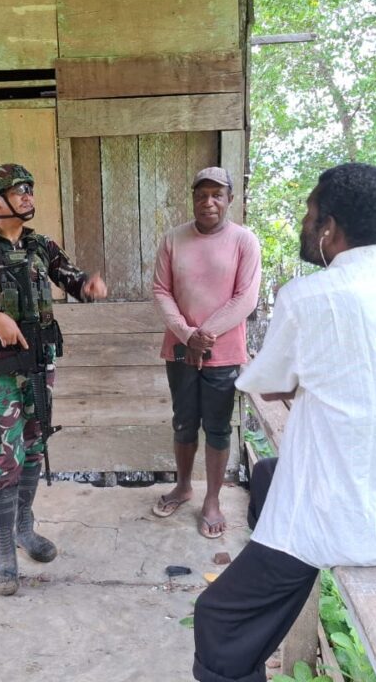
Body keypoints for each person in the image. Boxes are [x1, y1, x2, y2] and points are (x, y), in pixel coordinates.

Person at [192, 163, 376, 682]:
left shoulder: (311, 297)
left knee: (217, 619)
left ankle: (266, 598)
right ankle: (273, 579)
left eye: (309, 214)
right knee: (267, 475)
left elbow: (267, 384)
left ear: (330, 229)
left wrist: (301, 376)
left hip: (336, 517)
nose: (304, 224)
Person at [0, 163, 107, 595]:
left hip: (39, 358)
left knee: (34, 442)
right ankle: (5, 556)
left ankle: (24, 528)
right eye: (20, 190)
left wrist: (86, 284)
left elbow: (67, 277)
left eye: (31, 189)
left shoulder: (40, 244)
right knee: (3, 453)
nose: (30, 196)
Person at [151, 167, 261, 538]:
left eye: (217, 194)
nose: (208, 202)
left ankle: (212, 499)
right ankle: (183, 486)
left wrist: (205, 334)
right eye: (202, 195)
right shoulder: (173, 239)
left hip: (224, 352)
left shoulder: (244, 241)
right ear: (193, 199)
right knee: (183, 420)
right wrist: (186, 334)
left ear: (230, 199)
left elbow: (245, 296)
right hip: (180, 350)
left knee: (216, 427)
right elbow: (161, 290)